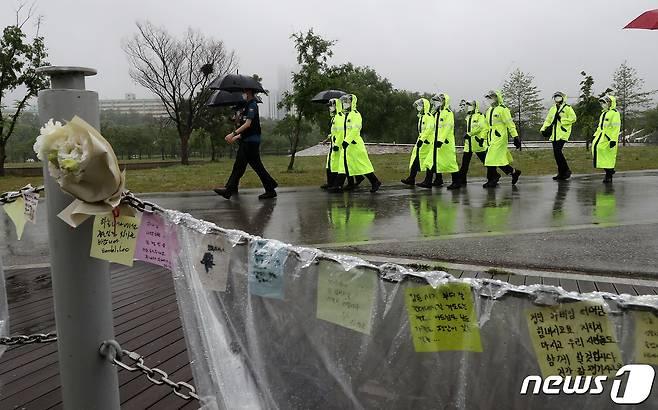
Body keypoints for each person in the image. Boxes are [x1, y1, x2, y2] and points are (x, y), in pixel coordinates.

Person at [214, 88, 278, 199]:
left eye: (244, 91)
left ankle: (229, 190)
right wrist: (237, 136)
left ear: (248, 92)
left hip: (251, 142)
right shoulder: (247, 106)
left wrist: (233, 134)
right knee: (243, 166)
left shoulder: (252, 105)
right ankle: (270, 187)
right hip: (247, 140)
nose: (242, 93)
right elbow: (248, 129)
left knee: (245, 166)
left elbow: (248, 124)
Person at [329, 94, 381, 193]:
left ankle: (375, 181)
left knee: (362, 165)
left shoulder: (356, 114)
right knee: (345, 165)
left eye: (347, 102)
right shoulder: (347, 115)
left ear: (352, 103)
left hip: (354, 145)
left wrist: (346, 141)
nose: (345, 104)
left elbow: (355, 130)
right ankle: (339, 185)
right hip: (347, 146)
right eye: (344, 102)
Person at [417, 93, 460, 189]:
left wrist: (441, 140)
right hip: (436, 142)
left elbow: (447, 128)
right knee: (430, 161)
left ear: (445, 101)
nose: (437, 103)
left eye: (439, 100)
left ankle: (456, 182)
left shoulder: (448, 113)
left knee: (450, 162)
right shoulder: (436, 113)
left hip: (446, 143)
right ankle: (428, 181)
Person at [483, 90, 522, 187]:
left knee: (491, 158)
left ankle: (492, 178)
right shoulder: (488, 111)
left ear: (497, 97)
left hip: (500, 137)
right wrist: (482, 138)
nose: (490, 100)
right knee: (497, 159)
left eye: (492, 97)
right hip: (491, 138)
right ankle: (514, 172)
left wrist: (515, 136)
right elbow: (486, 126)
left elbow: (510, 124)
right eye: (489, 98)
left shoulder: (503, 109)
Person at [458, 99, 498, 186]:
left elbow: (481, 128)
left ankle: (495, 175)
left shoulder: (480, 116)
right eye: (468, 105)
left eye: (471, 105)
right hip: (468, 145)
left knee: (486, 162)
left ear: (475, 107)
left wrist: (470, 134)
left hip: (477, 144)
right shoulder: (468, 117)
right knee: (464, 163)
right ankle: (461, 179)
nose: (469, 107)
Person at [540, 91, 577, 180]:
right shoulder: (552, 109)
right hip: (554, 134)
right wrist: (543, 129)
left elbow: (573, 118)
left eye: (559, 97)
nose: (557, 98)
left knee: (558, 152)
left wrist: (562, 119)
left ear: (563, 98)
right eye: (556, 97)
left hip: (563, 134)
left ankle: (567, 170)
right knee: (556, 154)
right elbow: (548, 120)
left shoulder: (568, 108)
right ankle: (561, 173)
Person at [401, 98, 435, 186]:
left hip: (427, 142)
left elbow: (428, 130)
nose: (418, 107)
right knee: (415, 159)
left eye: (420, 105)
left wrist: (422, 139)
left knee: (429, 162)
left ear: (425, 106)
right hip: (421, 142)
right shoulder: (421, 116)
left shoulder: (429, 117)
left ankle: (428, 181)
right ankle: (411, 178)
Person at [591, 94, 621, 183]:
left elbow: (616, 128)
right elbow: (600, 126)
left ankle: (609, 174)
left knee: (608, 157)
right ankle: (610, 171)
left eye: (604, 102)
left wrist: (613, 140)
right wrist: (595, 135)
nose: (603, 104)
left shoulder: (615, 113)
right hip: (601, 137)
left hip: (608, 139)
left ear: (610, 103)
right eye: (602, 103)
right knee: (598, 152)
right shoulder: (603, 113)